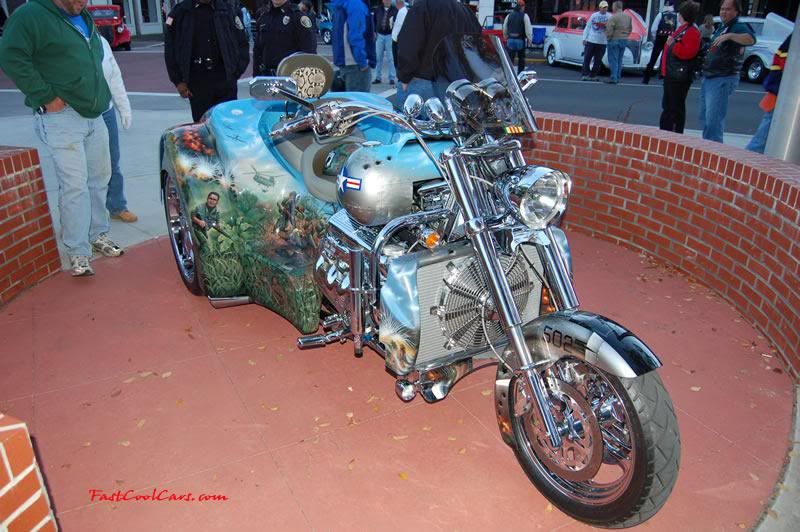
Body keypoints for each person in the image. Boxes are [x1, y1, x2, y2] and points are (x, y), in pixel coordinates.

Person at [0, 0, 125, 277]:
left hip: (95, 114)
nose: (84, 2)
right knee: (74, 186)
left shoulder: (82, 15)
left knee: (99, 179)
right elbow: (10, 56)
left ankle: (98, 234)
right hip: (61, 117)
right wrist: (45, 96)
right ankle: (78, 249)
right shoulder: (31, 15)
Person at [164, 0, 249, 122]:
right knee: (202, 126)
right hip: (197, 82)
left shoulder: (228, 10)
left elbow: (242, 43)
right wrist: (178, 81)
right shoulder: (180, 12)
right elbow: (170, 50)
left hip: (224, 79)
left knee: (227, 125)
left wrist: (235, 73)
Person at [396, 0, 481, 101]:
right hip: (457, 85)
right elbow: (477, 46)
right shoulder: (465, 11)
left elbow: (408, 45)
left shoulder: (422, 7)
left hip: (424, 82)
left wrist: (404, 77)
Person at [698, 0, 754, 143]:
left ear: (736, 11)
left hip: (722, 78)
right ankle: (708, 146)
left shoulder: (738, 26)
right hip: (710, 77)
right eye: (722, 9)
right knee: (708, 118)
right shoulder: (722, 27)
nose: (724, 12)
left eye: (728, 9)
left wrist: (730, 36)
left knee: (714, 121)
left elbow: (751, 39)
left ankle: (713, 150)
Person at [100, 36, 138, 223]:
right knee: (80, 171)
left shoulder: (101, 41)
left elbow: (114, 75)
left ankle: (117, 206)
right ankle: (82, 215)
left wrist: (124, 108)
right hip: (76, 114)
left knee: (112, 161)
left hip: (105, 111)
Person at [659, 0, 701, 133]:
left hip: (678, 76)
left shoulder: (691, 31)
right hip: (673, 74)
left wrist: (673, 44)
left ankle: (673, 134)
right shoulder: (684, 29)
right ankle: (667, 132)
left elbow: (687, 53)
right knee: (669, 107)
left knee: (674, 109)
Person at [746, 35, 790, 153]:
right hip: (783, 95)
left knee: (764, 136)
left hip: (779, 92)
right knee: (762, 139)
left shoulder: (793, 39)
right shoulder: (794, 40)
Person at [253, 0, 316, 77]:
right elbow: (258, 49)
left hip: (290, 76)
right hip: (266, 76)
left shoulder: (298, 16)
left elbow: (309, 51)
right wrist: (256, 76)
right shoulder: (263, 15)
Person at [331, 0, 376, 92]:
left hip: (346, 62)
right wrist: (363, 62)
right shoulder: (356, 4)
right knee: (359, 100)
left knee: (348, 100)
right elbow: (356, 37)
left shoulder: (342, 3)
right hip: (357, 65)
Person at [643, 0, 677, 84]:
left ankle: (646, 78)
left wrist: (655, 36)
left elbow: (653, 29)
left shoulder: (660, 15)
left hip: (660, 38)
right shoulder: (676, 16)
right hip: (670, 39)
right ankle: (665, 78)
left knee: (653, 58)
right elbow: (677, 29)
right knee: (668, 59)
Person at [581, 0, 610, 81]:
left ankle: (593, 75)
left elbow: (612, 28)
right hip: (591, 40)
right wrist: (584, 38)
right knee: (587, 58)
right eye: (603, 7)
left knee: (598, 60)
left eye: (605, 7)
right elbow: (588, 27)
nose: (604, 9)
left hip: (602, 42)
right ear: (599, 8)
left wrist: (607, 27)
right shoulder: (594, 15)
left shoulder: (610, 16)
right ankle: (585, 74)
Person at [604, 1, 630, 84]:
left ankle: (613, 77)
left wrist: (608, 38)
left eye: (612, 6)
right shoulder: (628, 17)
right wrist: (626, 35)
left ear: (615, 7)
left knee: (613, 59)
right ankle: (618, 76)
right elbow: (630, 28)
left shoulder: (613, 17)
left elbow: (609, 29)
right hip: (624, 39)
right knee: (619, 59)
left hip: (614, 39)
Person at [503, 0, 532, 74]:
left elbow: (505, 28)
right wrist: (530, 40)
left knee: (510, 60)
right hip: (520, 40)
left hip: (510, 40)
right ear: (522, 7)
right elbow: (528, 30)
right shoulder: (525, 16)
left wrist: (505, 37)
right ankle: (520, 75)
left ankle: (509, 75)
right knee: (521, 59)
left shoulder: (509, 15)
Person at [372, 0, 398, 85]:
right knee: (378, 57)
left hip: (390, 36)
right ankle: (377, 77)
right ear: (383, 1)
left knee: (391, 58)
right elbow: (374, 21)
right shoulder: (378, 10)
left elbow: (397, 23)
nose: (387, 1)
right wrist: (374, 32)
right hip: (379, 35)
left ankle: (392, 78)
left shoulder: (395, 10)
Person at [391, 0, 407, 68]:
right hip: (398, 40)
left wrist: (396, 39)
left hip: (397, 41)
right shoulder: (402, 11)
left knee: (397, 62)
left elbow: (400, 27)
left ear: (398, 3)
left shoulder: (402, 12)